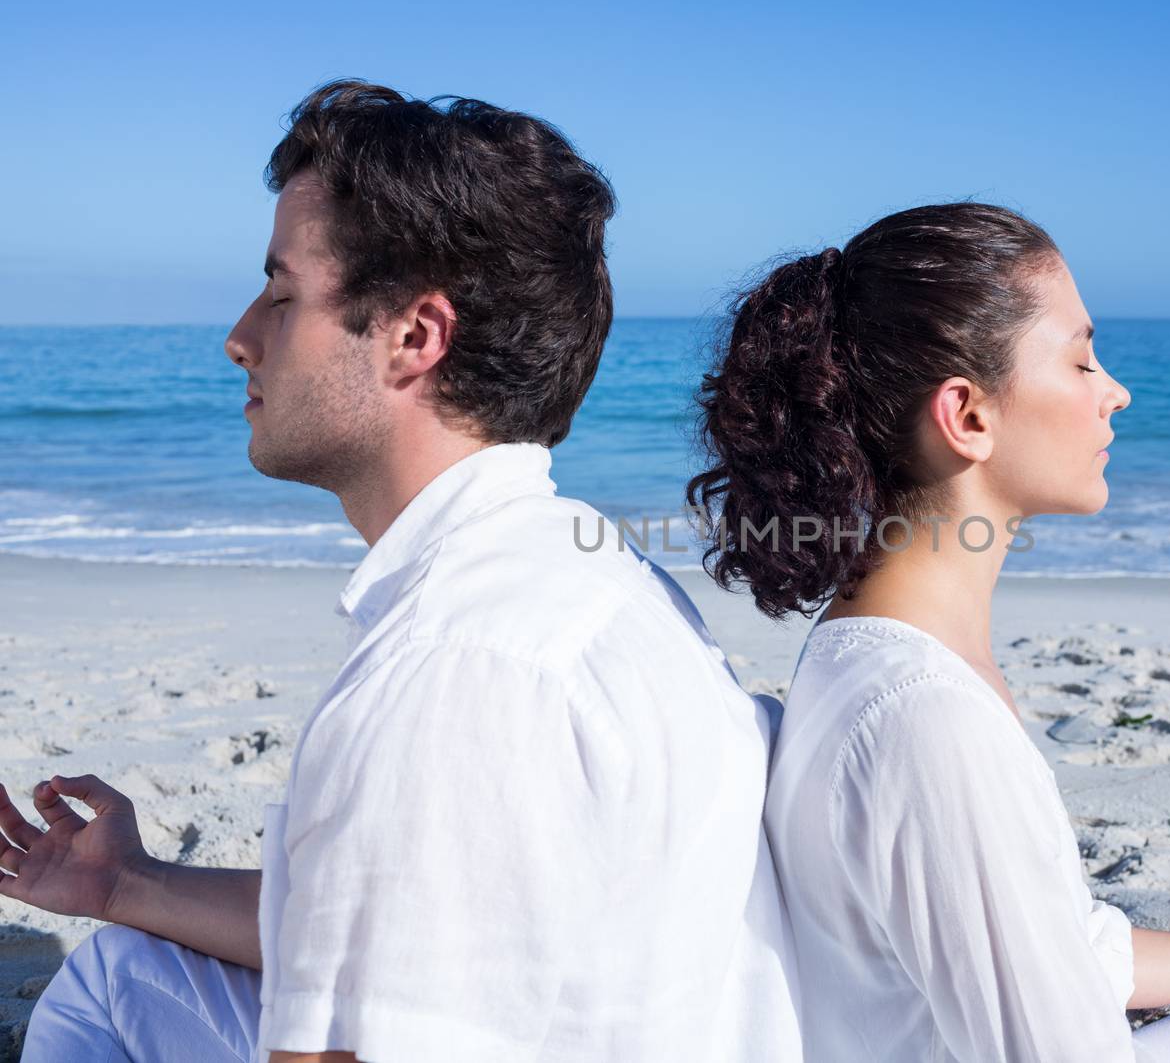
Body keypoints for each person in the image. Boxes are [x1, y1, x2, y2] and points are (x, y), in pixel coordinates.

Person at [0, 80, 801, 1063]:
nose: (239, 335)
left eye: (283, 292)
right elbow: (382, 930)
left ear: (416, 337)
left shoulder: (452, 665)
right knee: (120, 968)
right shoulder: (586, 579)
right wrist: (126, 885)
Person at [687, 202, 1170, 1062]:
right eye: (1083, 359)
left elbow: (1063, 944)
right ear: (968, 416)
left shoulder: (877, 647)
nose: (1115, 390)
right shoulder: (925, 718)